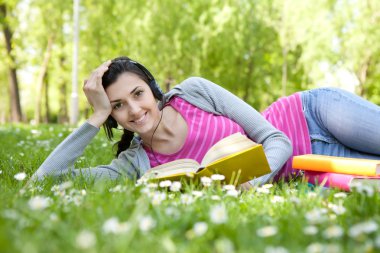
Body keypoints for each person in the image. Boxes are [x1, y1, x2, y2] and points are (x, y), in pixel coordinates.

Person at [31, 56, 380, 186]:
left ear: (153, 90)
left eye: (138, 94)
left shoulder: (194, 93)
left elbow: (277, 140)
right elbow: (46, 181)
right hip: (311, 166)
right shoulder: (134, 165)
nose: (135, 111)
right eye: (118, 106)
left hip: (312, 114)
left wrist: (249, 185)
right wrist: (95, 115)